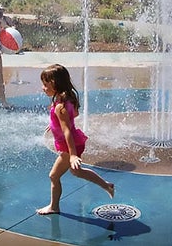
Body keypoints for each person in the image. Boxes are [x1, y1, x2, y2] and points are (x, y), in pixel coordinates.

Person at [37, 64, 114, 215]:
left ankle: (54, 207)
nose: (43, 88)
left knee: (53, 176)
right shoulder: (67, 98)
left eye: (45, 85)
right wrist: (54, 124)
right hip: (75, 142)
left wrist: (72, 155)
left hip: (69, 146)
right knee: (77, 172)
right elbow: (74, 115)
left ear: (55, 84)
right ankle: (107, 185)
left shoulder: (60, 106)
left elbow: (67, 131)